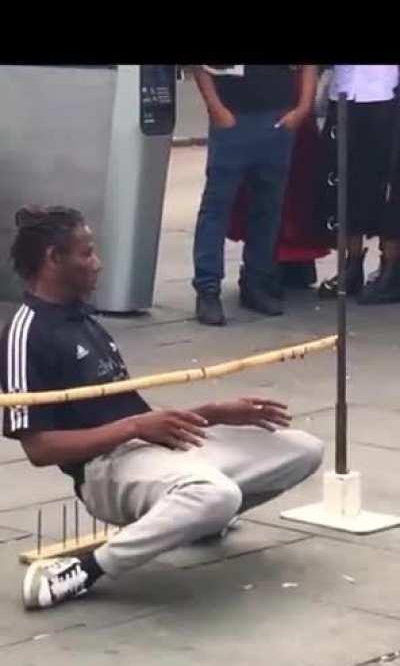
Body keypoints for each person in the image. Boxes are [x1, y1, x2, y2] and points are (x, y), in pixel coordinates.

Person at [0, 207, 323, 612]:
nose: (97, 263)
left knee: (303, 449)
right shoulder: (25, 332)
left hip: (147, 449)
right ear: (53, 258)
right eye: (86, 254)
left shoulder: (82, 317)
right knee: (216, 495)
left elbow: (138, 418)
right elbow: (40, 449)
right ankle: (86, 570)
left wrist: (214, 412)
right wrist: (135, 426)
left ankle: (192, 521)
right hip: (105, 471)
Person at [191, 65, 318, 325]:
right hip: (233, 117)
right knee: (217, 207)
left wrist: (302, 108)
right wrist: (216, 108)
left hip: (278, 118)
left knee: (269, 207)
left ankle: (256, 282)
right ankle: (207, 289)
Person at [226, 70, 330, 293]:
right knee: (271, 186)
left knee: (298, 182)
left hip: (295, 95)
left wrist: (304, 105)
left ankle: (294, 260)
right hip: (262, 97)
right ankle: (269, 261)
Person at [317, 65, 400, 304]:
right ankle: (350, 266)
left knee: (387, 184)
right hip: (345, 92)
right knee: (346, 182)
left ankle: (390, 268)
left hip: (385, 94)